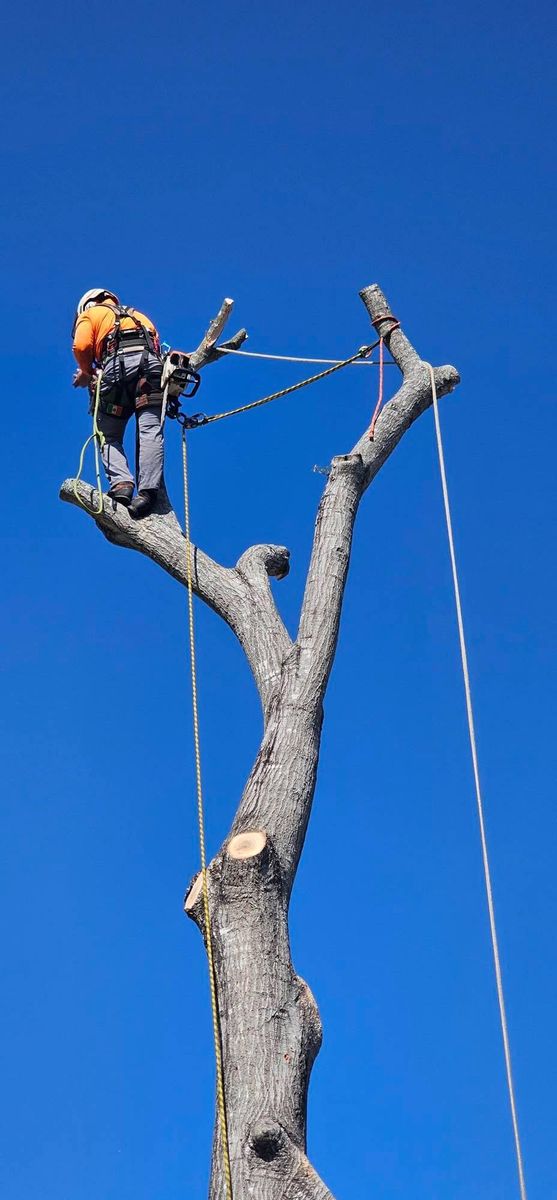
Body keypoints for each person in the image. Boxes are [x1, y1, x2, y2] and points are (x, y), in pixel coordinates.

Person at [72, 288, 164, 518]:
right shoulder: (141, 317)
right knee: (150, 429)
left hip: (117, 371)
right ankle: (148, 494)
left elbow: (81, 346)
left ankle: (122, 484)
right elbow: (156, 348)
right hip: (151, 370)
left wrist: (86, 372)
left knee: (108, 434)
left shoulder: (91, 314)